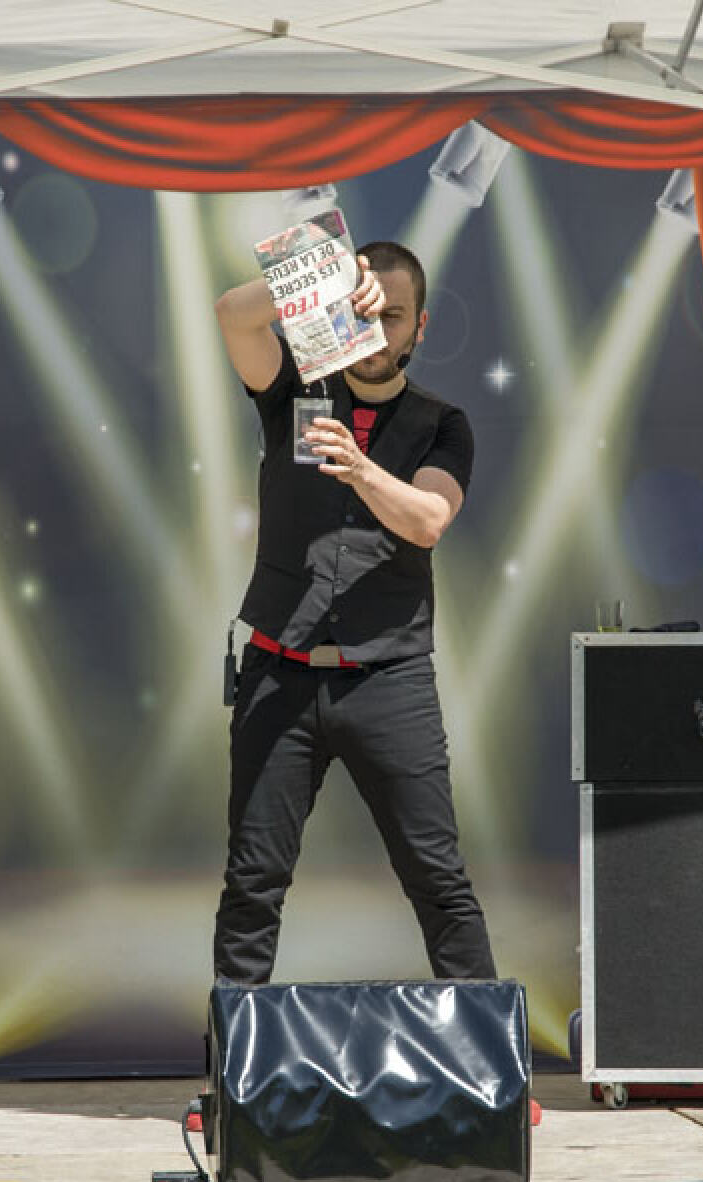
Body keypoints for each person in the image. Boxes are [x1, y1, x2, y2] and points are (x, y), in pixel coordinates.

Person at [212, 240, 497, 985]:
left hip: (388, 676)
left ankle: (487, 1054)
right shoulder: (294, 389)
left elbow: (429, 519)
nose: (377, 330)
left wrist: (362, 468)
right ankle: (235, 1057)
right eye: (366, 312)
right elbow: (233, 316)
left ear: (419, 328)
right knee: (252, 883)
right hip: (279, 671)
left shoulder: (442, 423)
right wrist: (328, 277)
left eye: (392, 316)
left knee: (438, 880)